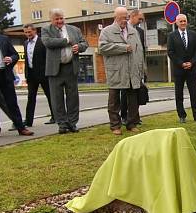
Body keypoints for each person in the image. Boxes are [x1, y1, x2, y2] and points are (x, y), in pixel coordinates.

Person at [0, 16, 33, 139]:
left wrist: (11, 59)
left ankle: (21, 127)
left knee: (12, 102)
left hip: (5, 74)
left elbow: (15, 54)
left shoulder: (3, 39)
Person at [99, 7, 145, 135]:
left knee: (133, 99)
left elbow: (139, 51)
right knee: (114, 100)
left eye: (126, 17)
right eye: (122, 17)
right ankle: (115, 126)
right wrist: (123, 48)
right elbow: (102, 48)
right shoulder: (107, 31)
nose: (124, 20)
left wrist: (141, 69)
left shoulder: (133, 31)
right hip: (116, 71)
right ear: (115, 17)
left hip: (132, 70)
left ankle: (132, 123)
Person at [41, 8, 88, 134]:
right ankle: (62, 124)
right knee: (57, 99)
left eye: (61, 18)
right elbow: (48, 42)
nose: (60, 21)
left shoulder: (74, 30)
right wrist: (66, 41)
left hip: (71, 67)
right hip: (55, 69)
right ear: (51, 20)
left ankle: (72, 123)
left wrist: (79, 47)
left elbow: (84, 43)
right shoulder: (46, 30)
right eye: (56, 19)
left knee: (73, 98)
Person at [167, 13, 196, 124]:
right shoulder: (172, 36)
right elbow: (171, 52)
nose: (183, 23)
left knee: (194, 93)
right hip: (179, 70)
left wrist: (191, 63)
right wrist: (181, 63)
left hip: (192, 69)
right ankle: (182, 115)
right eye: (181, 21)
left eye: (184, 21)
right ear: (176, 23)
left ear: (187, 22)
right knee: (179, 93)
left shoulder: (193, 34)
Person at [22, 23, 55, 126]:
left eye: (30, 32)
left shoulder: (42, 42)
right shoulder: (26, 43)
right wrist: (27, 74)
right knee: (31, 97)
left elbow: (48, 58)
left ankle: (55, 116)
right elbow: (27, 60)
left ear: (35, 31)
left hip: (44, 74)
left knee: (50, 96)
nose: (28, 34)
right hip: (31, 75)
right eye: (26, 32)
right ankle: (28, 121)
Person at [120, 8, 146, 124]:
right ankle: (124, 116)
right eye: (139, 18)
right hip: (126, 67)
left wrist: (143, 67)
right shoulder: (123, 29)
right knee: (125, 93)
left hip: (137, 66)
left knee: (137, 92)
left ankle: (135, 116)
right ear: (133, 16)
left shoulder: (140, 31)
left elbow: (142, 50)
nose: (141, 21)